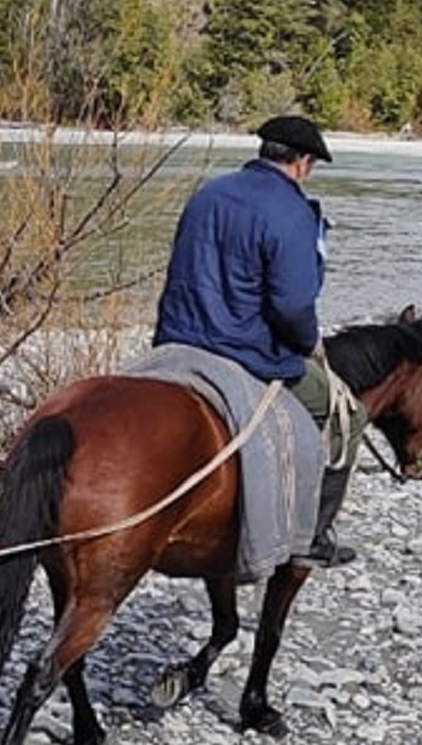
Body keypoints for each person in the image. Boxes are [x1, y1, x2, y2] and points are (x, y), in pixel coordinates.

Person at [152, 114, 364, 568]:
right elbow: (290, 305)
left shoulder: (208, 193)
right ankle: (313, 535)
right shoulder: (293, 213)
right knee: (344, 412)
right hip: (244, 352)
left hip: (176, 338)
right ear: (303, 164)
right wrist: (311, 343)